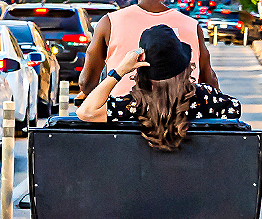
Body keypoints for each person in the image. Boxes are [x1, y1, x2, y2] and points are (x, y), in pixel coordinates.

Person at [80, 0, 218, 97]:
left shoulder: (109, 23)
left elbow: (87, 83)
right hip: (181, 117)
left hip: (123, 119)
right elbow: (208, 81)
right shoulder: (192, 26)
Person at [76, 25, 241, 148]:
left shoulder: (133, 106)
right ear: (184, 66)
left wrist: (120, 70)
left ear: (141, 66)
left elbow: (86, 111)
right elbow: (234, 109)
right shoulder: (207, 99)